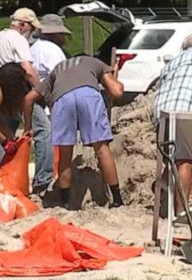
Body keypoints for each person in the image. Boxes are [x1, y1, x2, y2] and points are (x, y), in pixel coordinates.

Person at [23, 55, 124, 209]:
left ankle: (66, 202)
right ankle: (117, 200)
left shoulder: (58, 69)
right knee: (102, 149)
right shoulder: (96, 62)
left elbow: (28, 98)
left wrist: (28, 127)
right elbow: (116, 92)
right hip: (88, 95)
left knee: (65, 154)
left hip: (61, 100)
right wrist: (115, 77)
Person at [0, 8, 54, 194]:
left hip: (0, 93)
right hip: (18, 93)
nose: (32, 32)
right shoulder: (18, 39)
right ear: (23, 25)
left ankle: (3, 179)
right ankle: (42, 181)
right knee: (43, 130)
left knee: (6, 135)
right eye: (31, 28)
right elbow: (28, 70)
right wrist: (40, 91)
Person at [153, 32, 192, 216]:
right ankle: (181, 214)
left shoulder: (174, 61)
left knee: (170, 157)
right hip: (186, 111)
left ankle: (161, 185)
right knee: (185, 161)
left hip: (162, 113)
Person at [27, 13, 71, 195]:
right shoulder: (52, 50)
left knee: (41, 139)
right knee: (49, 138)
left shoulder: (34, 47)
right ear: (54, 34)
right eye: (61, 34)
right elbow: (62, 75)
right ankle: (45, 180)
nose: (64, 38)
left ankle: (42, 178)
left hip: (35, 98)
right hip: (49, 101)